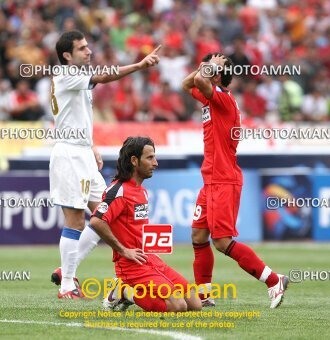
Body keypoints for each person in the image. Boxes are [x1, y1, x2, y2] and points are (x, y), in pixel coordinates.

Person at [49, 30, 162, 299]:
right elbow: (105, 76)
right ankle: (67, 285)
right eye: (82, 49)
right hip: (68, 156)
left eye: (88, 47)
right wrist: (138, 65)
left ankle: (67, 269)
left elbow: (75, 117)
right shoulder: (67, 74)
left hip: (83, 152)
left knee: (106, 216)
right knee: (75, 221)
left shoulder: (76, 80)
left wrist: (91, 145)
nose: (89, 51)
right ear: (67, 55)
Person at [182, 53, 289, 309]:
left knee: (221, 241)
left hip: (223, 179)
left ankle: (274, 280)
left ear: (217, 76)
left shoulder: (224, 100)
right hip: (210, 180)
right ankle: (205, 296)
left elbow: (198, 78)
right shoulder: (210, 100)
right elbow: (187, 84)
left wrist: (210, 66)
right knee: (198, 235)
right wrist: (206, 65)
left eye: (212, 68)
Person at [90, 137, 202, 312]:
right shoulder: (119, 190)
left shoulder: (142, 191)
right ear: (134, 160)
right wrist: (122, 250)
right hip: (130, 265)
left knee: (195, 304)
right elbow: (96, 221)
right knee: (177, 306)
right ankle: (125, 291)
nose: (155, 163)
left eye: (154, 157)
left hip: (149, 259)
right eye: (150, 158)